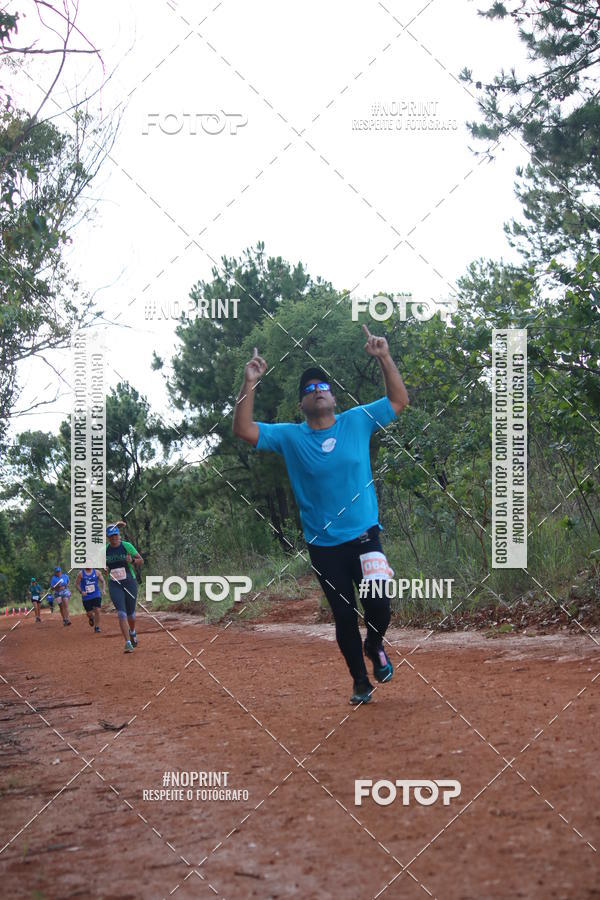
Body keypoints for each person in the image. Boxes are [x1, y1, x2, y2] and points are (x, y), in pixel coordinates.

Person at [233, 324, 409, 705]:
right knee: (344, 616)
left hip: (365, 538)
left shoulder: (357, 420)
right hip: (324, 547)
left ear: (333, 396)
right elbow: (243, 429)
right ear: (302, 405)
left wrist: (384, 356)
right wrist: (250, 382)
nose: (317, 391)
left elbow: (398, 400)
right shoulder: (291, 436)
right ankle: (360, 682)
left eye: (322, 387)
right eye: (309, 390)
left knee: (379, 607)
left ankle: (374, 643)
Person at [105, 525, 144, 653]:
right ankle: (127, 643)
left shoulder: (126, 546)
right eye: (111, 537)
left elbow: (140, 560)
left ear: (118, 535)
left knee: (131, 614)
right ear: (108, 538)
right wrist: (104, 568)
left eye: (116, 535)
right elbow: (101, 565)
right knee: (121, 613)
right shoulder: (105, 550)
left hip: (129, 582)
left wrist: (132, 560)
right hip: (114, 584)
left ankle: (132, 631)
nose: (114, 538)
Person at [75, 567, 106, 633]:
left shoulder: (97, 572)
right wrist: (81, 591)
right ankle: (91, 618)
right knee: (89, 613)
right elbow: (77, 584)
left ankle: (97, 627)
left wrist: (103, 590)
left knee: (97, 610)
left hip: (96, 594)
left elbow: (103, 581)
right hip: (86, 596)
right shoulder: (81, 573)